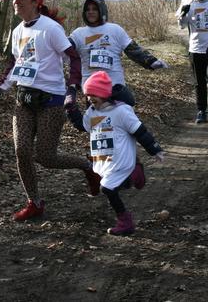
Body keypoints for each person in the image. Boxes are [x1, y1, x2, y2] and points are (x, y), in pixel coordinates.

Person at [0, 0, 101, 221]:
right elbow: (15, 64)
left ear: (35, 3)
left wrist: (72, 89)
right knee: (21, 150)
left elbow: (73, 58)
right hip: (24, 100)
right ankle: (34, 202)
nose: (15, 2)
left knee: (45, 157)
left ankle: (88, 168)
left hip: (51, 101)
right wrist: (0, 89)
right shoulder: (17, 31)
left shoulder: (51, 29)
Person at [66, 71, 166, 235]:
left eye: (93, 94)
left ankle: (125, 222)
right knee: (111, 183)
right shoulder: (92, 111)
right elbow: (82, 125)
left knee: (107, 188)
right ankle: (135, 173)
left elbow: (140, 132)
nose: (90, 98)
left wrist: (155, 150)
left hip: (121, 160)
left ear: (104, 94)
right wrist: (70, 108)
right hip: (105, 159)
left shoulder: (122, 111)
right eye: (88, 94)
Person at [68, 0, 168, 106]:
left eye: (94, 9)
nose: (90, 12)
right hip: (92, 89)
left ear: (102, 10)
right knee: (97, 121)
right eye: (87, 9)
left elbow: (132, 49)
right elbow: (63, 45)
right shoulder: (78, 33)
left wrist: (151, 61)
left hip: (115, 86)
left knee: (121, 119)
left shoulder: (115, 29)